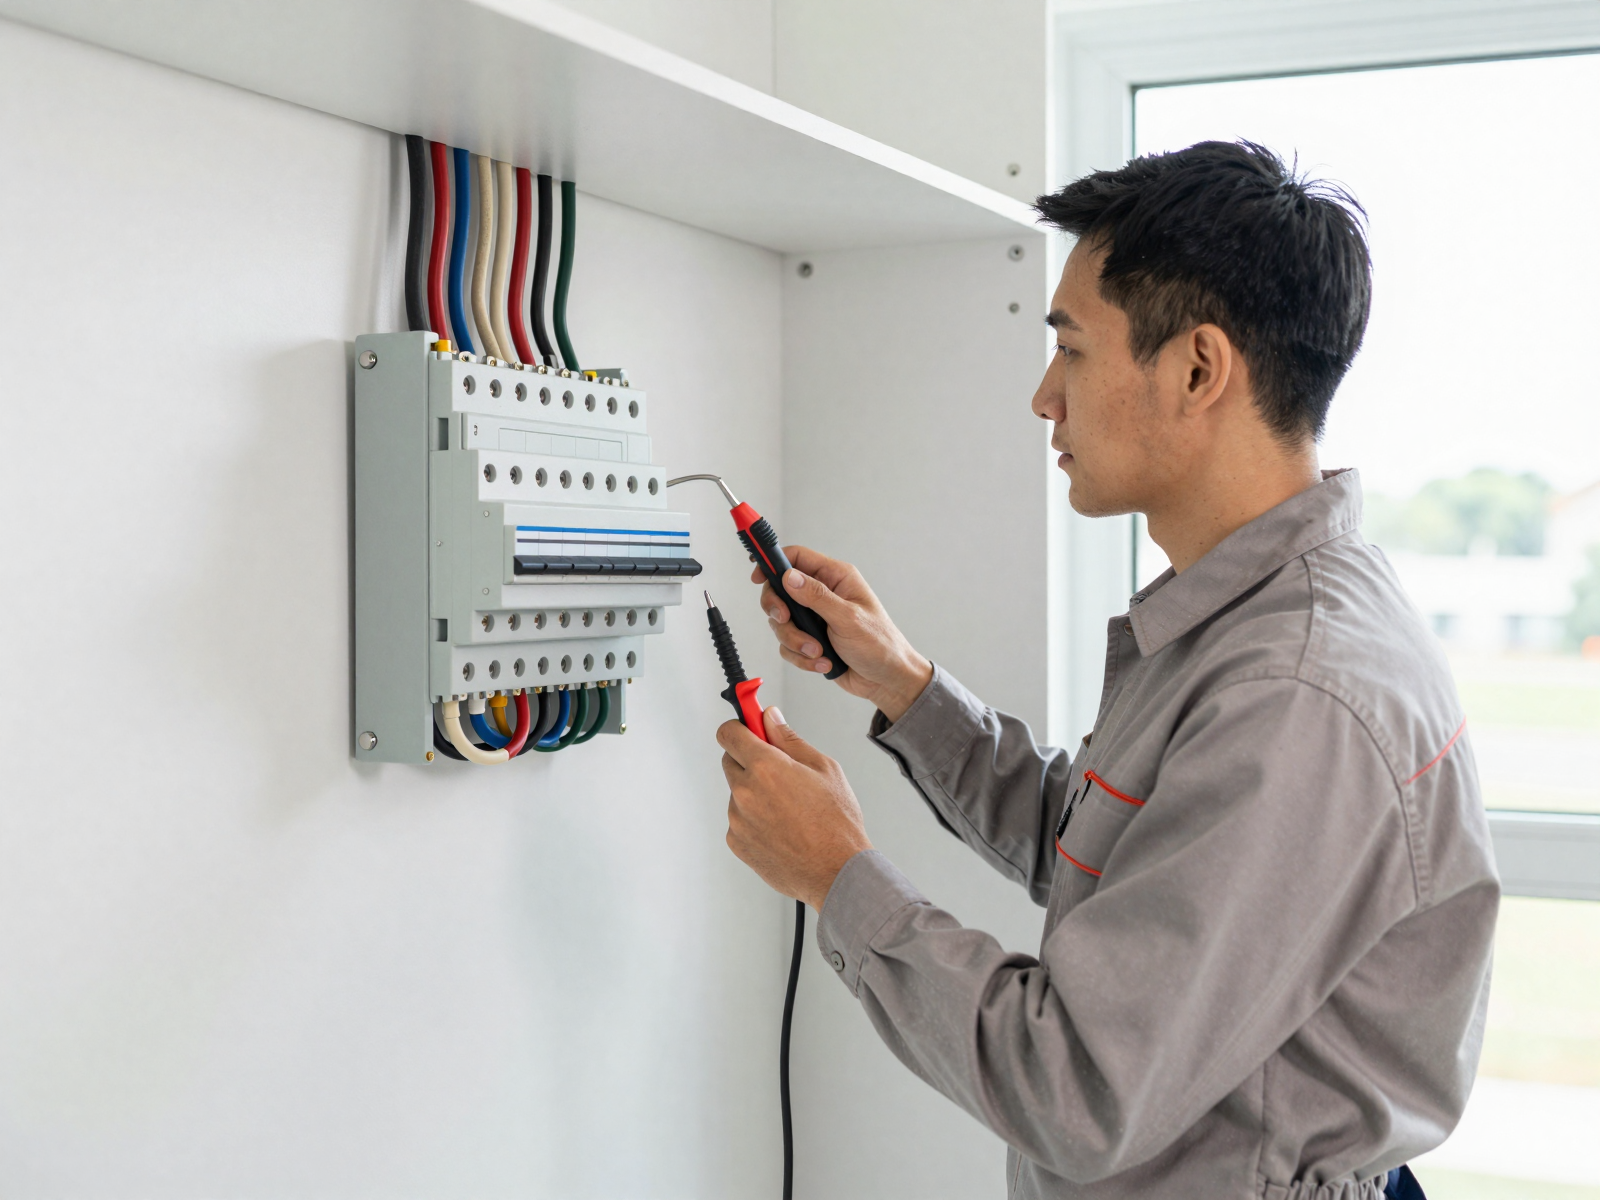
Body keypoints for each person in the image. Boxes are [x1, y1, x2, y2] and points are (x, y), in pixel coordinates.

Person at [715, 141, 1498, 1200]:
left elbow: (1075, 1091)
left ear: (1196, 369)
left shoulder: (1294, 696)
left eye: (1072, 351)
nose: (1045, 398)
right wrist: (903, 685)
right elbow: (1111, 856)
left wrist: (836, 875)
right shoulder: (1249, 623)